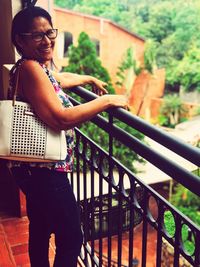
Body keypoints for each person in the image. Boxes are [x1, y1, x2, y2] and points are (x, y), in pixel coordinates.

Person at [9, 6, 128, 267]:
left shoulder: (32, 67)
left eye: (50, 32)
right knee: (72, 237)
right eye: (37, 35)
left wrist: (89, 78)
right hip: (45, 171)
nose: (47, 40)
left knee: (40, 227)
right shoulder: (30, 68)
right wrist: (106, 101)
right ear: (20, 40)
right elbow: (61, 119)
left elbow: (58, 79)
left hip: (31, 169)